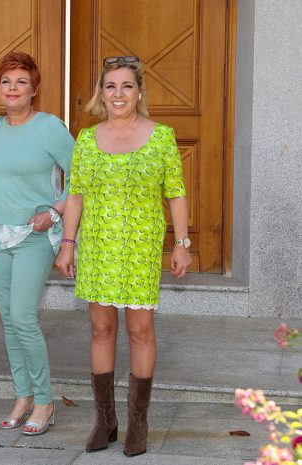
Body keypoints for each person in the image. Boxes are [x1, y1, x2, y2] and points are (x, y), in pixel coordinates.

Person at [55, 56, 192, 456]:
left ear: (139, 92)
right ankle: (105, 420)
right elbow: (75, 195)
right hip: (97, 247)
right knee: (101, 330)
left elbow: (176, 193)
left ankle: (138, 423)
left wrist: (181, 244)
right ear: (101, 92)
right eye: (111, 86)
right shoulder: (85, 139)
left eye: (126, 86)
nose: (118, 94)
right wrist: (68, 244)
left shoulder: (161, 137)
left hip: (140, 249)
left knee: (140, 331)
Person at [0, 51, 74, 436]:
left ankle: (45, 401)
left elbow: (79, 177)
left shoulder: (49, 127)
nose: (12, 88)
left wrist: (56, 211)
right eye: (6, 81)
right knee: (9, 321)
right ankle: (23, 395)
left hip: (36, 234)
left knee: (23, 317)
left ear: (34, 89)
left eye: (21, 82)